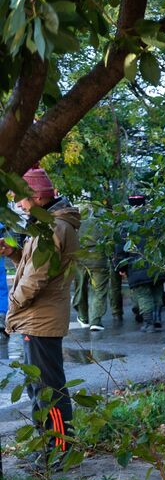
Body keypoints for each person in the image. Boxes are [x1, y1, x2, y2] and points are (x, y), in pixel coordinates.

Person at [5, 166, 80, 462]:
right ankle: (49, 447)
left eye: (22, 199)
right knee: (40, 388)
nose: (19, 204)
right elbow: (32, 267)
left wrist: (13, 304)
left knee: (49, 390)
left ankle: (61, 450)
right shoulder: (47, 225)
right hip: (36, 318)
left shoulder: (53, 228)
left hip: (39, 320)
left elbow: (35, 279)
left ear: (36, 196)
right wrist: (12, 254)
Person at [118, 195, 162, 332]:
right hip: (157, 264)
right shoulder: (156, 219)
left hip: (137, 266)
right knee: (157, 292)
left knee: (143, 294)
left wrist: (122, 266)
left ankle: (148, 324)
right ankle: (157, 318)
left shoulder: (126, 223)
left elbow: (120, 247)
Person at [70, 204, 110, 331]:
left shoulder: (74, 224)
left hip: (80, 258)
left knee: (80, 287)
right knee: (99, 290)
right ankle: (96, 321)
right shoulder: (101, 223)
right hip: (99, 258)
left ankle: (83, 317)